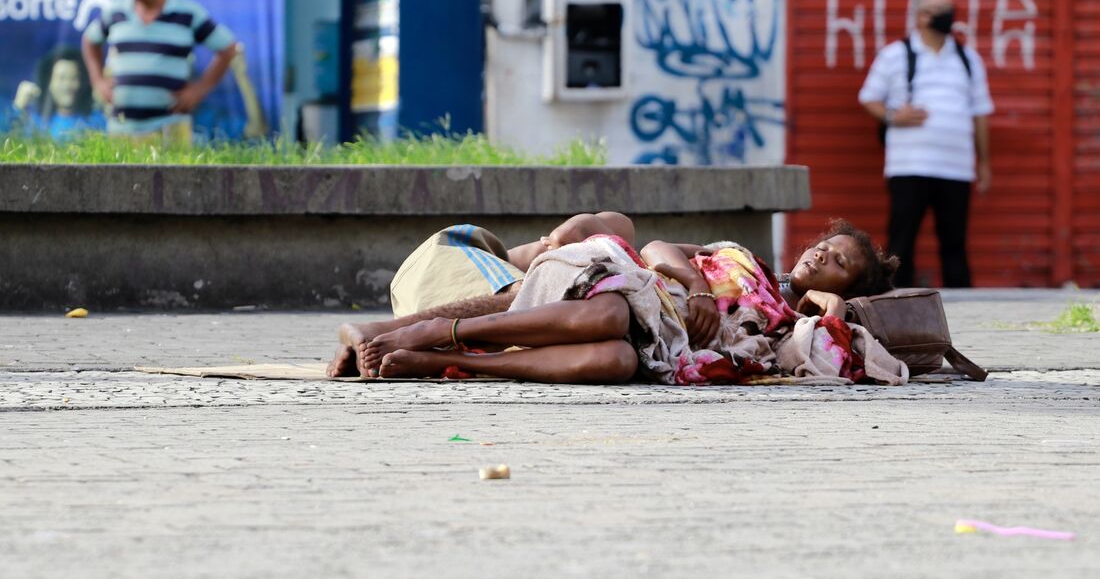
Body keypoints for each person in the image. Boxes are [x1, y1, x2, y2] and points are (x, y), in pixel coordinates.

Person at [334, 219, 899, 384]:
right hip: (630, 290)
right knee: (609, 312)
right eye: (824, 248)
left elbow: (835, 346)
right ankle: (430, 333)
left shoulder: (788, 319)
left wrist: (826, 299)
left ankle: (440, 361)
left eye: (839, 263)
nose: (822, 258)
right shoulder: (739, 256)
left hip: (652, 348)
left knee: (616, 361)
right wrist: (698, 287)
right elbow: (655, 246)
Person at [327, 211, 635, 377]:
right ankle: (377, 331)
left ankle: (436, 355)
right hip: (451, 257)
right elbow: (597, 227)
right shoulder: (623, 254)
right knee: (537, 298)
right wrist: (685, 278)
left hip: (463, 313)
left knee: (610, 354)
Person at [858, 0, 994, 288]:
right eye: (939, 10)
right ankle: (895, 307)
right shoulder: (895, 55)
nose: (948, 16)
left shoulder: (968, 58)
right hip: (909, 165)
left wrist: (983, 163)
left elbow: (980, 112)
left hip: (955, 167)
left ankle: (967, 309)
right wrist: (895, 116)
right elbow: (869, 97)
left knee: (955, 243)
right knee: (901, 243)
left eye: (949, 9)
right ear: (920, 17)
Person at [81, 0, 237, 143]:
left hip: (171, 129)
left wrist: (199, 90)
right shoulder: (115, 11)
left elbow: (228, 48)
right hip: (122, 130)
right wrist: (98, 82)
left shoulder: (187, 13)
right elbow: (89, 40)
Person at [11, 46, 106, 138]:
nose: (67, 86)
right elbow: (9, 141)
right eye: (61, 78)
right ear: (49, 83)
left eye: (74, 78)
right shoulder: (35, 123)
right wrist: (18, 107)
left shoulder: (95, 122)